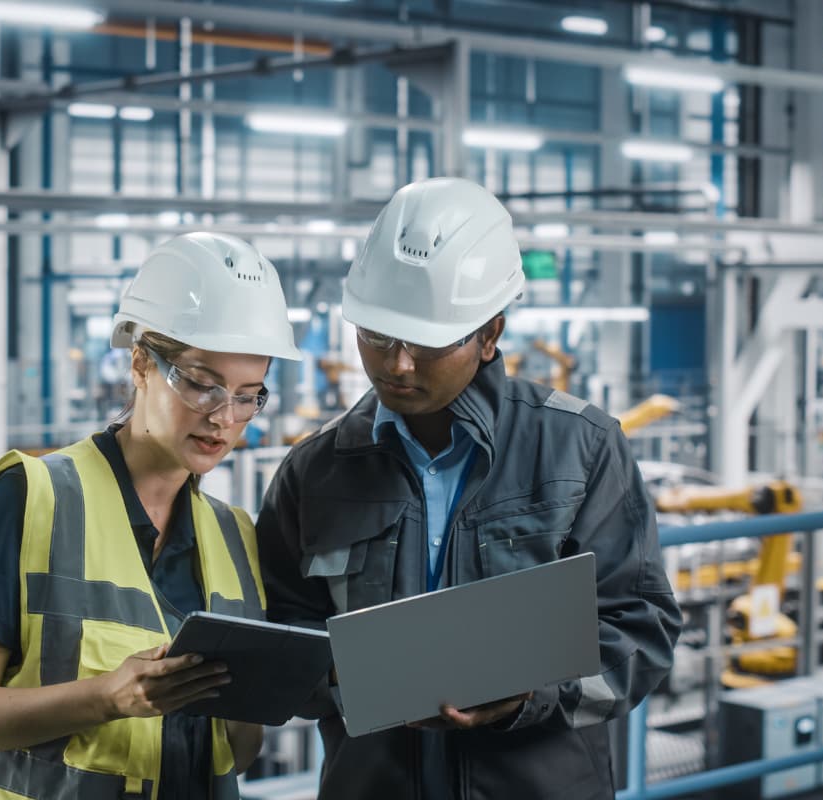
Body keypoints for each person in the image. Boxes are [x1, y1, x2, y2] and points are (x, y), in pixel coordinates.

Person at [256, 177, 682, 800]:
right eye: (376, 335)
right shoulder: (315, 471)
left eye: (427, 343)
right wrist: (348, 682)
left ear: (489, 335)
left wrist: (528, 698)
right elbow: (282, 632)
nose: (397, 364)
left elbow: (640, 629)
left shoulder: (580, 447)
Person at [0, 232, 303, 800]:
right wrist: (109, 698)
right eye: (203, 385)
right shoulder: (26, 499)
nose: (225, 417)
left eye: (248, 395)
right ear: (139, 364)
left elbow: (239, 751)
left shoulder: (234, 536)